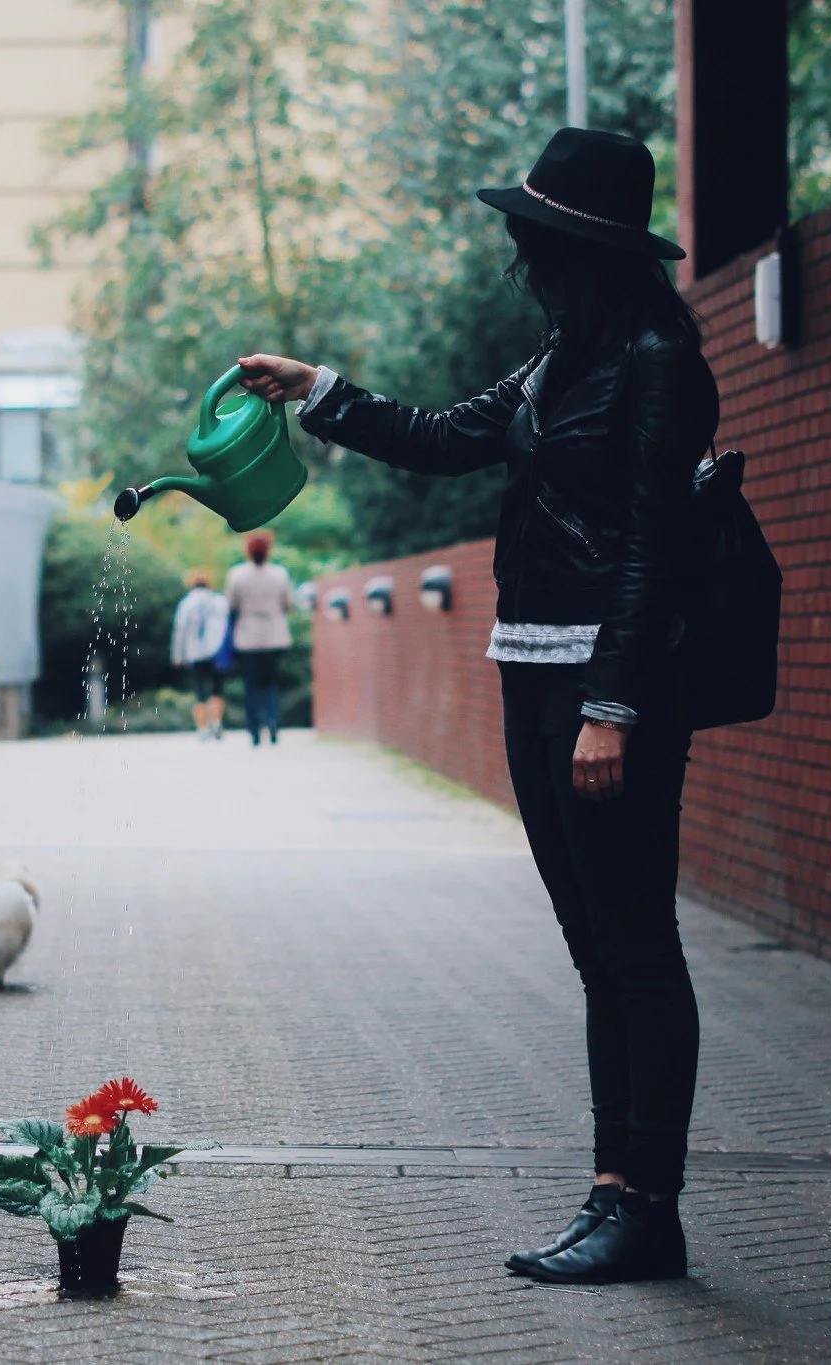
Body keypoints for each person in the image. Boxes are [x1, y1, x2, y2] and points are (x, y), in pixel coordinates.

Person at [236, 128, 719, 1283]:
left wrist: (613, 706)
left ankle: (646, 1207)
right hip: (534, 674)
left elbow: (655, 546)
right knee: (596, 950)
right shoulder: (564, 356)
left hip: (602, 694)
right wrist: (320, 393)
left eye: (533, 240)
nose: (520, 257)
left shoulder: (655, 358)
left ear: (579, 248)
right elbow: (445, 439)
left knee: (636, 948)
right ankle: (612, 1194)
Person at [224, 534, 295, 746]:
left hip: (247, 637)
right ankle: (272, 720)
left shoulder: (236, 574)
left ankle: (254, 729)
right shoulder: (280, 574)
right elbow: (289, 604)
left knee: (252, 684)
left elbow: (230, 605)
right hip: (275, 635)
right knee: (271, 682)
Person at [169, 569, 231, 740]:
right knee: (217, 688)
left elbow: (180, 630)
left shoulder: (187, 603)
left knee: (200, 690)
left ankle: (202, 729)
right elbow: (227, 626)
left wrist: (177, 655)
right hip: (217, 650)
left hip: (195, 651)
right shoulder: (219, 601)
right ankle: (217, 723)